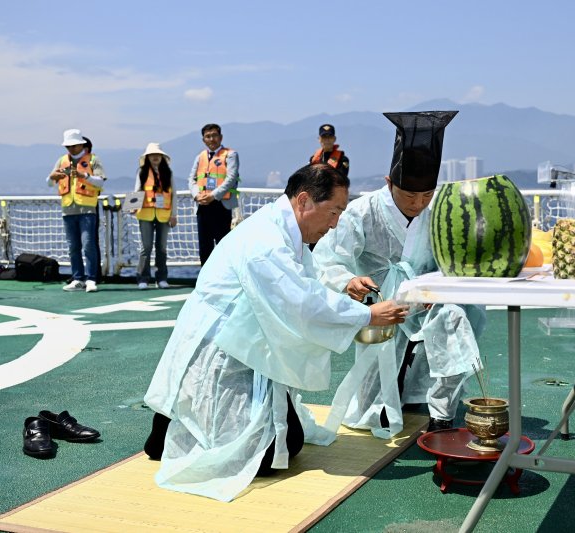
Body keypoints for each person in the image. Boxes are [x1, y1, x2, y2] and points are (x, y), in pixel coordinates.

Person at [143, 163, 409, 502]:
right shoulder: (266, 241)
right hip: (223, 350)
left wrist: (346, 283)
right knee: (270, 453)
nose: (334, 223)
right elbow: (299, 302)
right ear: (304, 201)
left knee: (287, 441)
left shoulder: (280, 228)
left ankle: (178, 417)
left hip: (240, 345)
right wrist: (366, 315)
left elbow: (305, 281)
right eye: (333, 212)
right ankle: (174, 422)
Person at [314, 111, 486, 437]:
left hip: (425, 305)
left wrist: (441, 289)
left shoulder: (438, 213)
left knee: (454, 319)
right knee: (373, 408)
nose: (418, 204)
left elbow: (452, 260)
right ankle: (384, 401)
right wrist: (348, 281)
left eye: (426, 196)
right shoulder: (363, 211)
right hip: (382, 304)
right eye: (409, 196)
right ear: (389, 182)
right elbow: (328, 258)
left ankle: (442, 412)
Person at [46, 129, 106, 293]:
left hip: (87, 209)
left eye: (74, 145)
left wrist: (84, 175)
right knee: (73, 246)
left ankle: (91, 279)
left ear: (81, 145)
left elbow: (100, 182)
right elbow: (49, 182)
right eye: (68, 146)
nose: (71, 149)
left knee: (88, 245)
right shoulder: (61, 161)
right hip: (68, 210)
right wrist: (52, 177)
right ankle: (77, 278)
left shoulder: (93, 160)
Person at [188, 124, 240, 265]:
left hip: (221, 205)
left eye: (214, 135)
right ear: (203, 139)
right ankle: (205, 276)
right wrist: (197, 195)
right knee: (204, 246)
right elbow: (191, 179)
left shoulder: (231, 155)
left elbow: (231, 178)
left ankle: (226, 275)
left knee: (223, 244)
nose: (211, 139)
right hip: (202, 205)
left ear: (221, 137)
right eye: (208, 136)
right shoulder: (200, 157)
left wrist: (213, 196)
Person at [134, 143, 177, 289]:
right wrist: (133, 207)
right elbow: (137, 191)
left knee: (162, 247)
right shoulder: (141, 172)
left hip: (164, 215)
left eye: (158, 155)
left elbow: (174, 195)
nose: (155, 157)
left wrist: (174, 215)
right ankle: (143, 279)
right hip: (145, 214)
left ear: (162, 157)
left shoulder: (168, 173)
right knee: (146, 247)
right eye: (152, 155)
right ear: (147, 157)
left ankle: (161, 278)